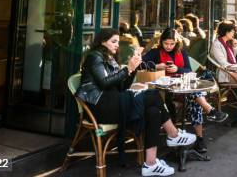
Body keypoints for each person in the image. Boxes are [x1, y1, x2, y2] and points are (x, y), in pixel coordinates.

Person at [76, 29, 196, 177]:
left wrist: (131, 70)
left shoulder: (110, 58)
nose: (117, 45)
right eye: (113, 42)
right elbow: (104, 84)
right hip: (101, 107)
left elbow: (122, 87)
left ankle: (150, 164)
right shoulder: (94, 57)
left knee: (153, 111)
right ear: (102, 42)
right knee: (152, 94)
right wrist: (129, 68)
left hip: (114, 102)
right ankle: (173, 134)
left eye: (118, 42)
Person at [143, 28, 227, 154]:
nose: (169, 47)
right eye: (166, 43)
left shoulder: (181, 52)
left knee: (194, 100)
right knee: (195, 95)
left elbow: (188, 70)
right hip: (165, 92)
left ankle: (199, 138)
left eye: (172, 44)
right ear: (161, 42)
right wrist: (156, 66)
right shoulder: (156, 52)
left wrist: (177, 69)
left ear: (176, 42)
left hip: (182, 89)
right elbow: (141, 63)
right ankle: (209, 111)